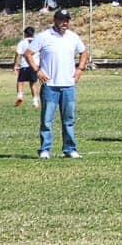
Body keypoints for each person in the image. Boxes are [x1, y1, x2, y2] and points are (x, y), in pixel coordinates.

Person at [26, 9, 87, 159]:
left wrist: (80, 69)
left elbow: (83, 52)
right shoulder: (44, 37)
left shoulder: (73, 37)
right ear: (55, 20)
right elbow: (28, 54)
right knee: (47, 119)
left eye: (66, 20)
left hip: (68, 85)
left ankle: (70, 149)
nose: (64, 23)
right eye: (61, 20)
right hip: (50, 85)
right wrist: (37, 70)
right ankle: (45, 149)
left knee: (68, 119)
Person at [14, 26, 38, 108]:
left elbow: (18, 54)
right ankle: (35, 102)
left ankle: (20, 96)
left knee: (20, 82)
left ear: (25, 34)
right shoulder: (37, 42)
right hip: (35, 65)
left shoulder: (22, 42)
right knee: (33, 84)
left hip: (24, 65)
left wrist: (16, 65)